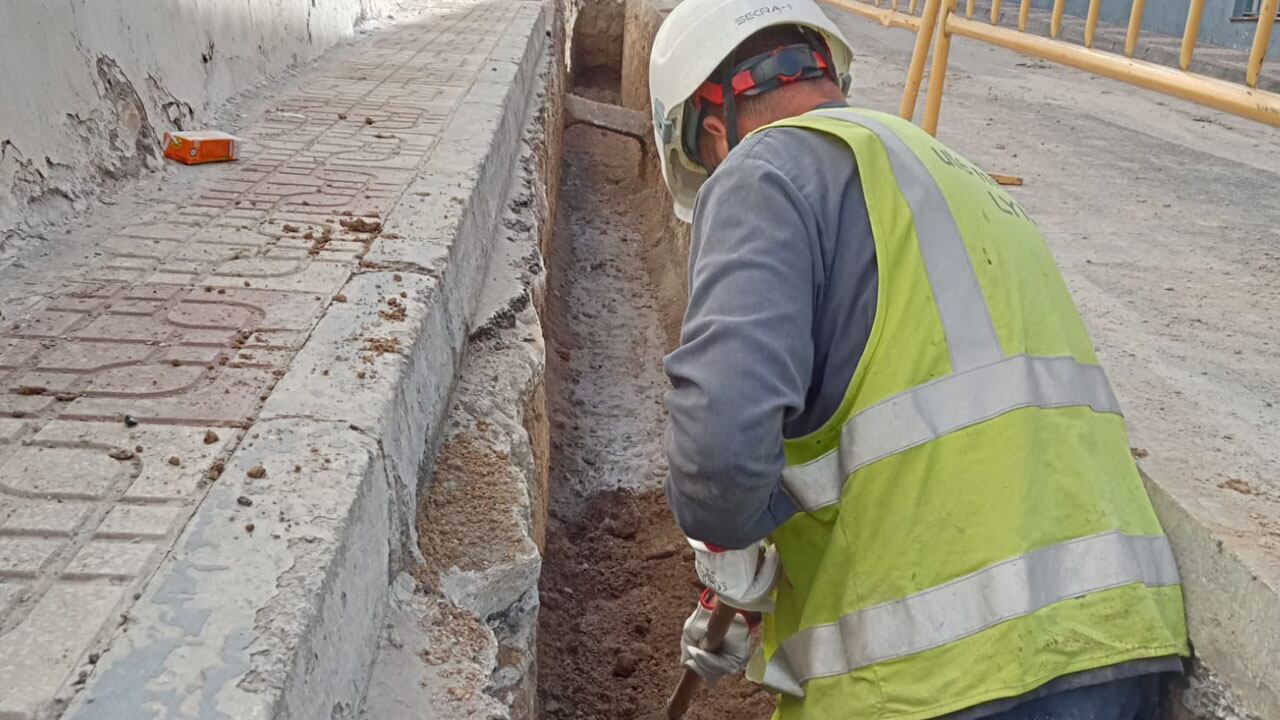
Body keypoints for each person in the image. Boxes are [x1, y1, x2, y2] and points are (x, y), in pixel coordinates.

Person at [647, 0, 1191, 718]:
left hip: (941, 679)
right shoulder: (963, 180)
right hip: (1122, 643)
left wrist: (731, 545)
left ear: (712, 130)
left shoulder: (762, 171)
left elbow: (720, 451)